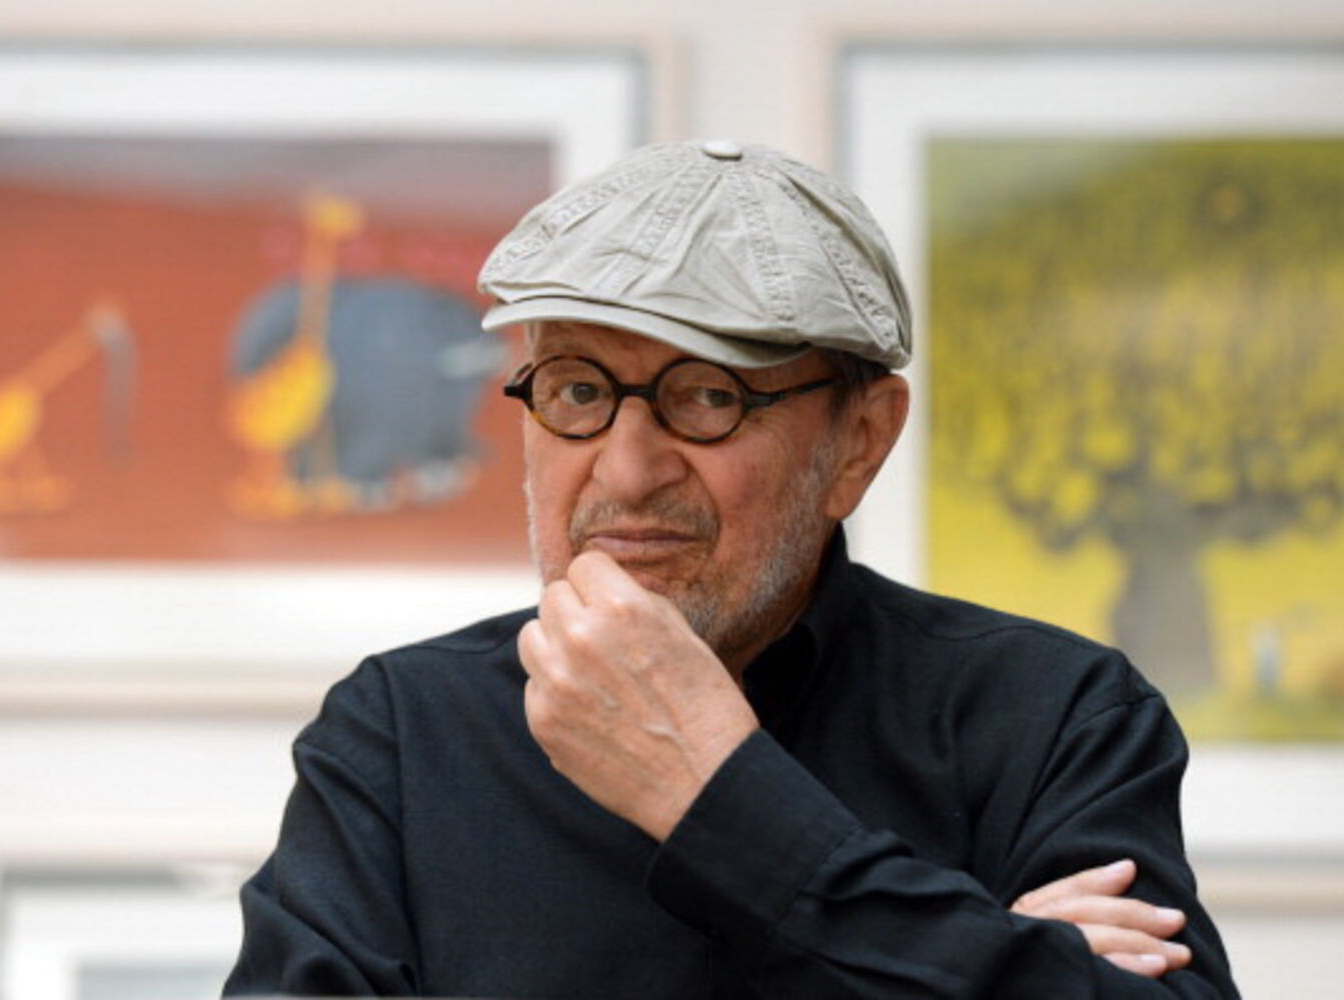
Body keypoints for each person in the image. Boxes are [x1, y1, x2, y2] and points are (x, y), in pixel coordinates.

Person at [225, 139, 1239, 998]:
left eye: (708, 395)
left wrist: (716, 797)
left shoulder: (1054, 716)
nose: (626, 470)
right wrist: (1000, 961)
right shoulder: (402, 736)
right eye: (577, 389)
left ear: (859, 441)